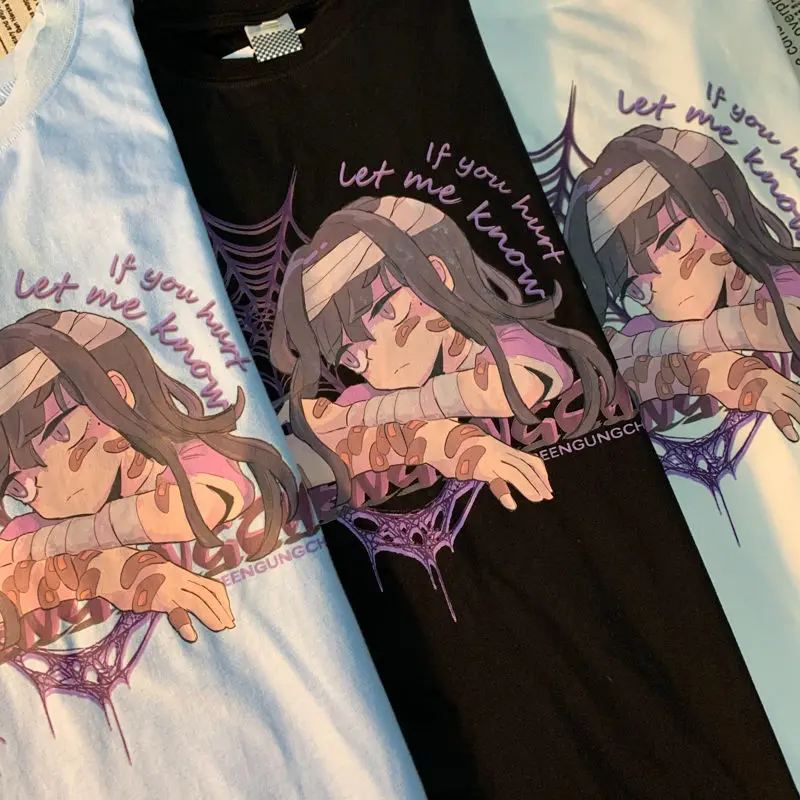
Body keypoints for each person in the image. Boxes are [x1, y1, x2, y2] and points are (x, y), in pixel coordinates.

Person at [271, 195, 614, 511]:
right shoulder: (363, 399)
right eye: (344, 351)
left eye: (377, 315)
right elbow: (308, 459)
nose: (360, 359)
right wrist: (445, 443)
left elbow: (518, 386)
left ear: (434, 276)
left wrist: (378, 415)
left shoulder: (510, 341)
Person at [0, 309, 300, 647]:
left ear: (112, 396)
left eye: (40, 446)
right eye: (10, 480)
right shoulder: (26, 530)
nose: (26, 487)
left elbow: (185, 510)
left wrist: (47, 545)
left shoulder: (197, 458)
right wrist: (131, 574)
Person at [564, 125, 800, 439]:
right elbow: (607, 370)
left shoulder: (785, 280)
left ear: (719, 211)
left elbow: (786, 322)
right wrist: (720, 373)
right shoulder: (647, 328)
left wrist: (666, 345)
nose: (652, 284)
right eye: (631, 281)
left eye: (669, 244)